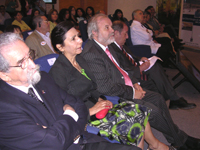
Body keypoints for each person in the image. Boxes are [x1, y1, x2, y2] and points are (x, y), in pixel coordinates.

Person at [81, 14, 200, 150]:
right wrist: (132, 92)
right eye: (107, 27)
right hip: (113, 97)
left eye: (111, 27)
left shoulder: (108, 46)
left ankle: (177, 139)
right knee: (153, 111)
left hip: (126, 86)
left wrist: (135, 82)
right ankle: (181, 141)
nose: (112, 30)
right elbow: (105, 87)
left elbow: (122, 70)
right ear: (95, 33)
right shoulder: (92, 53)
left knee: (158, 98)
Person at [0, 32, 137, 150]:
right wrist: (70, 113)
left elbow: (79, 105)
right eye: (21, 63)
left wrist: (60, 129)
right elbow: (54, 143)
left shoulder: (42, 79)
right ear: (4, 74)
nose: (32, 64)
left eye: (29, 55)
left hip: (83, 142)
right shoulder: (4, 108)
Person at [49, 21, 173, 150]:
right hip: (84, 116)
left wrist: (101, 99)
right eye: (73, 39)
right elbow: (61, 108)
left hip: (97, 105)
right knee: (132, 126)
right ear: (60, 47)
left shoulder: (80, 59)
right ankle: (151, 146)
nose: (80, 41)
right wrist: (89, 111)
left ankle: (154, 145)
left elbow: (93, 86)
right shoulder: (58, 72)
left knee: (139, 111)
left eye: (78, 36)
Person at [111, 20, 195, 110]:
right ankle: (174, 99)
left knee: (156, 67)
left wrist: (140, 58)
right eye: (125, 34)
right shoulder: (111, 50)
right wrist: (139, 69)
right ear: (116, 33)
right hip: (131, 75)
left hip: (135, 65)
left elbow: (130, 55)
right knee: (155, 70)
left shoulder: (120, 44)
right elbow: (120, 71)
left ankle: (173, 99)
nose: (127, 37)